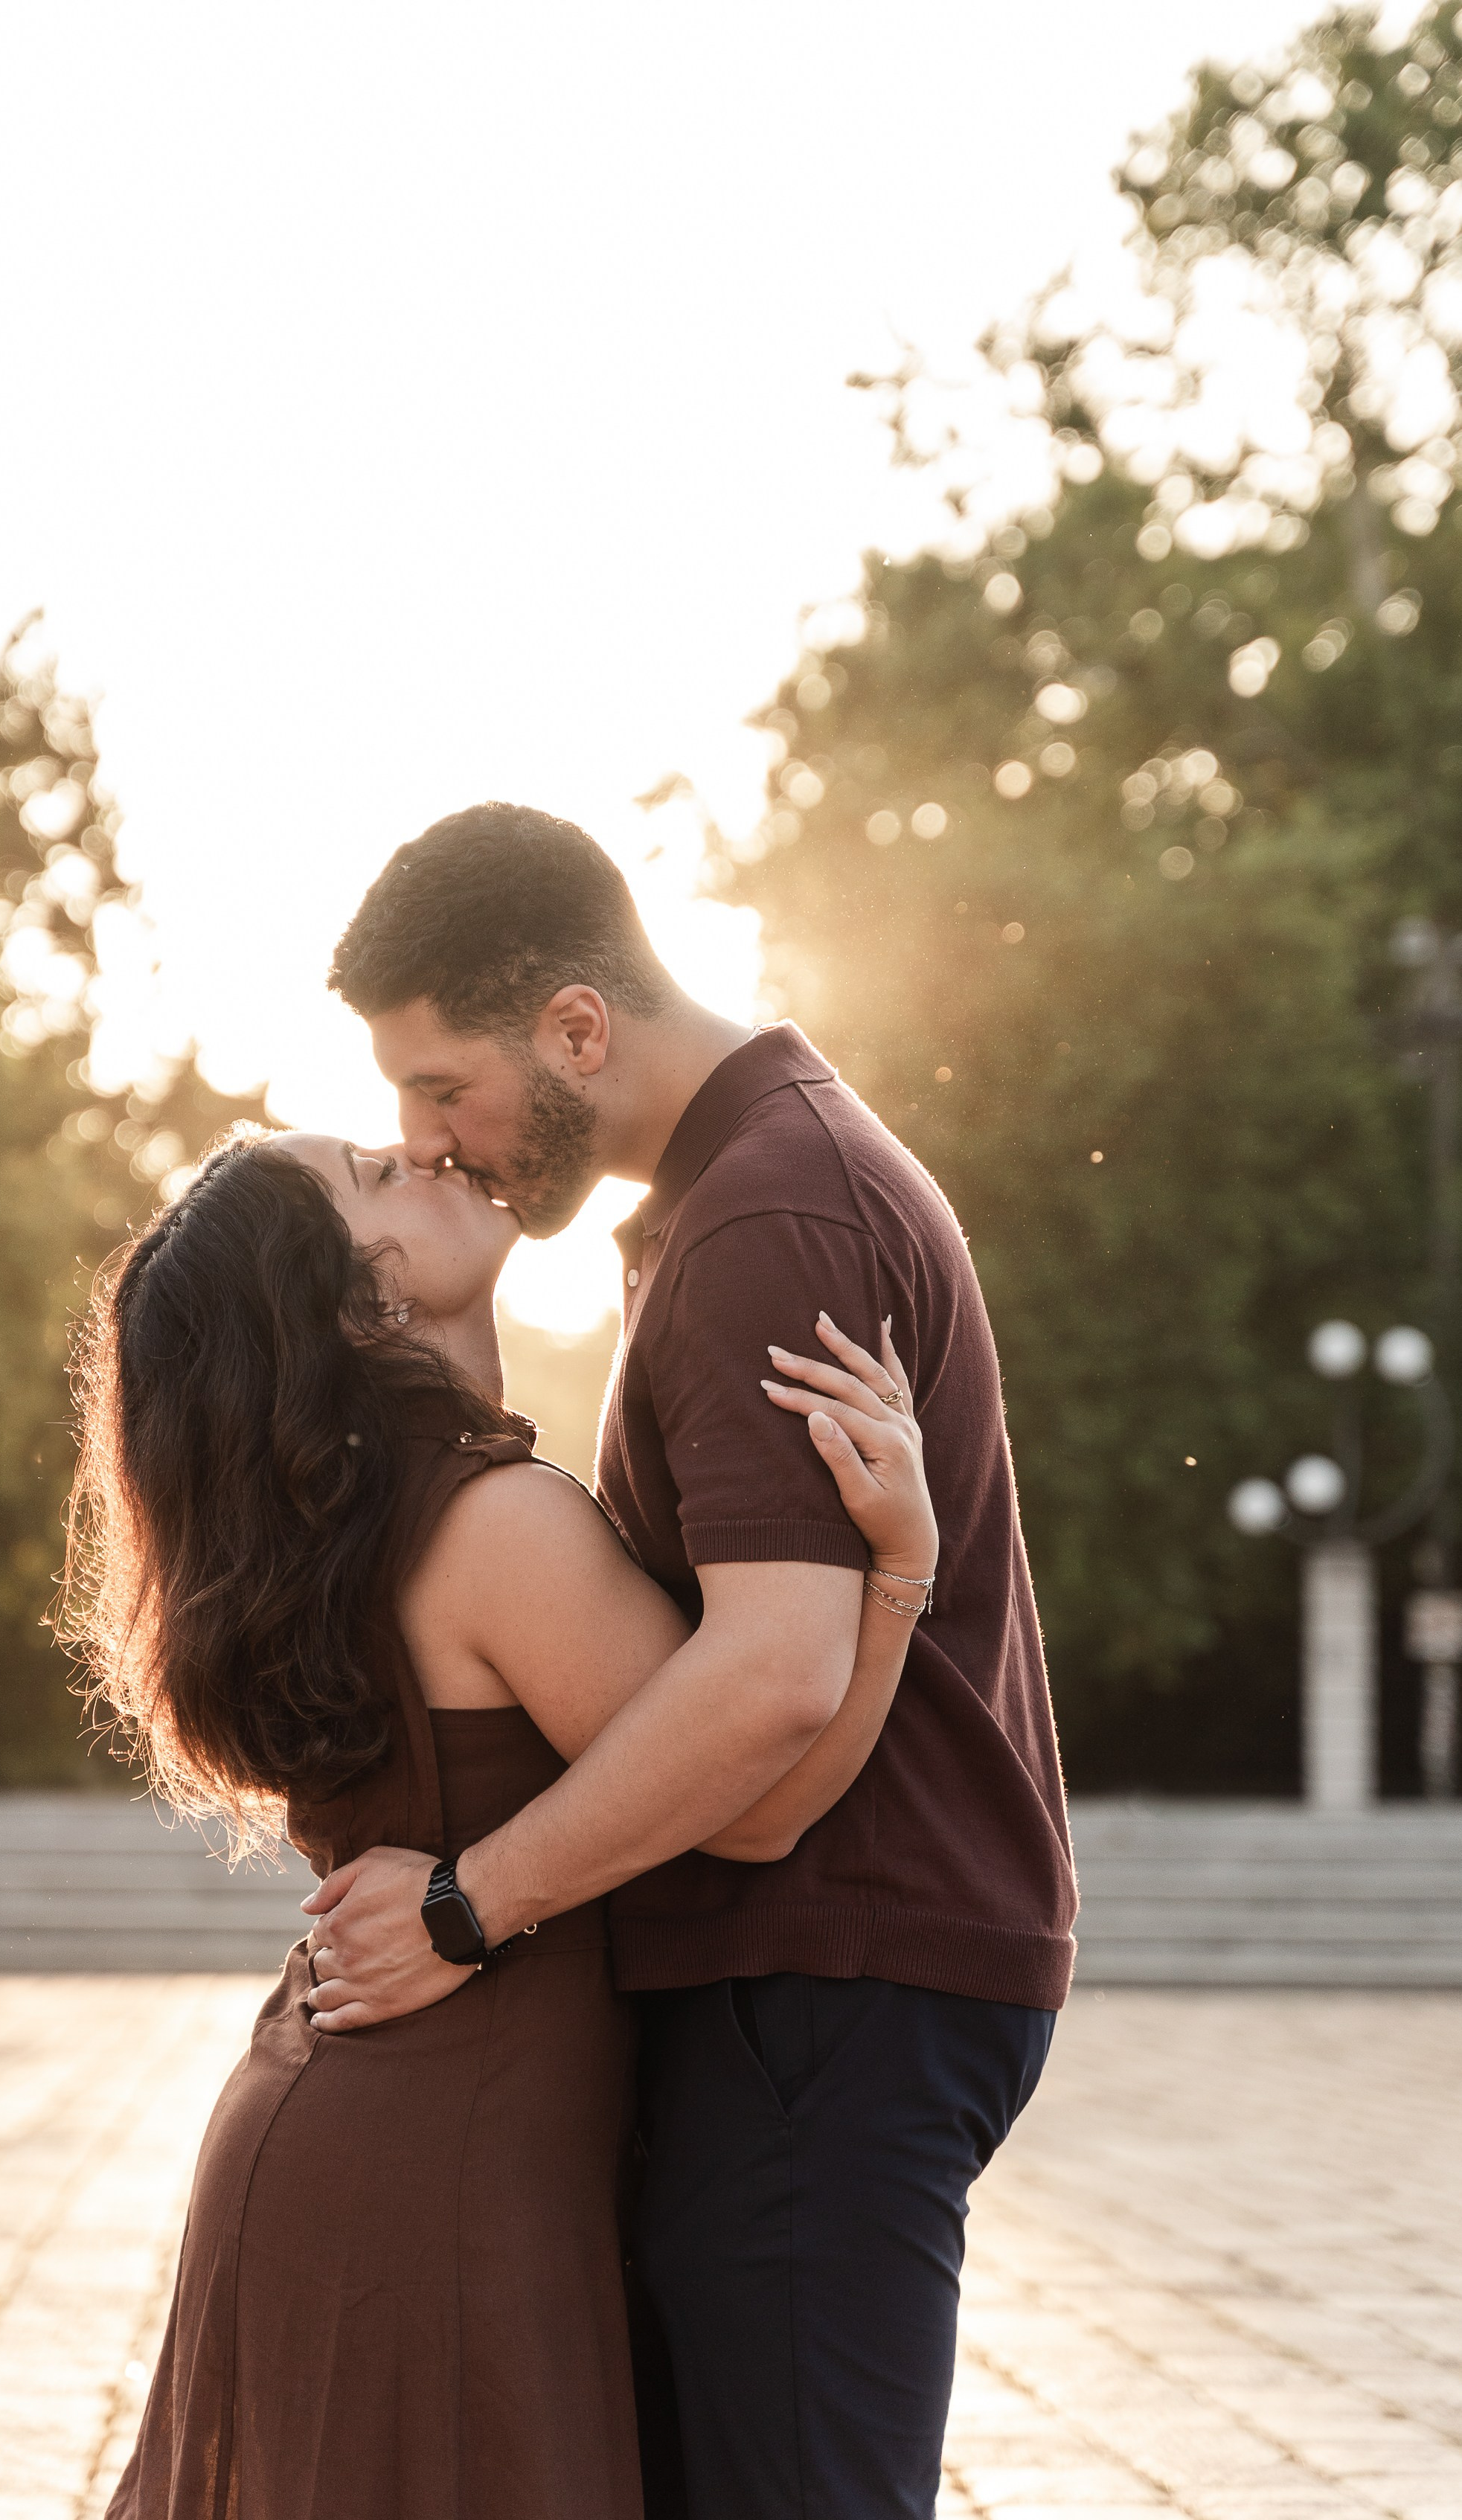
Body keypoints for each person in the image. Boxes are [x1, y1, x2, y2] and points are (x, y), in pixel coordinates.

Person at [307, 800, 1078, 2520]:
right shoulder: (751, 1186)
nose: (431, 1142)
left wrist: (461, 1905)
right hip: (837, 1968)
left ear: (577, 1025)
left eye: (444, 1088)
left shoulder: (761, 1221)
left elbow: (767, 1679)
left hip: (830, 1964)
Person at [65, 1122, 943, 2520]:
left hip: (358, 2129)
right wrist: (900, 1571)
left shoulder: (370, 1529)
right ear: (372, 1300)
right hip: (441, 2170)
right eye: (372, 1175)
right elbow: (766, 1806)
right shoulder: (496, 1525)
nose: (417, 1147)